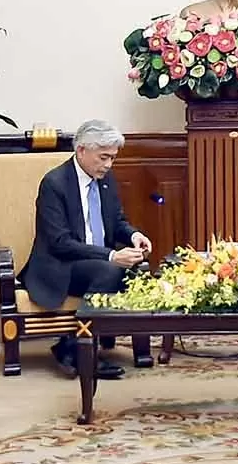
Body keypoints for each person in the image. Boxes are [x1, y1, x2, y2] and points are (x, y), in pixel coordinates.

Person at [23, 120, 155, 379]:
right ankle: (81, 352)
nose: (108, 164)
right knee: (109, 271)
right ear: (81, 150)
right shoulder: (54, 183)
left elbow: (116, 221)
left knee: (133, 271)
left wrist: (134, 235)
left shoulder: (106, 180)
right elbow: (59, 243)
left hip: (93, 263)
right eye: (103, 157)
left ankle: (71, 347)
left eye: (113, 158)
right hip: (59, 265)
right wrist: (112, 256)